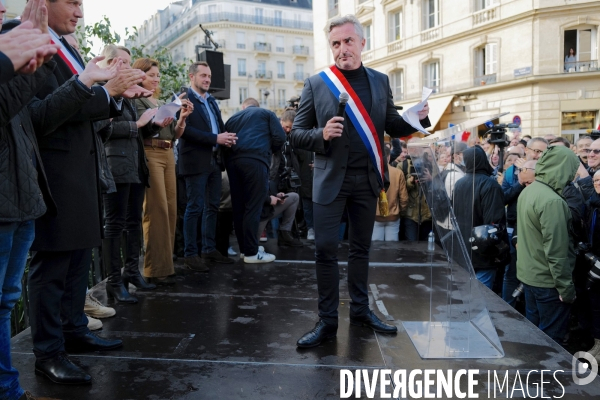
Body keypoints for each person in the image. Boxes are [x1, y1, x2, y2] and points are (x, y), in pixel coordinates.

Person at [26, 0, 152, 385]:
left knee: (78, 257)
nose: (80, 13)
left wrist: (113, 95)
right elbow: (42, 114)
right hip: (56, 171)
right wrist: (101, 88)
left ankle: (73, 328)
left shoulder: (66, 46)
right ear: (43, 4)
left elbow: (79, 105)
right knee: (53, 265)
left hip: (81, 169)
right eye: (72, 3)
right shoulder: (29, 43)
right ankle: (48, 352)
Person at [290, 14, 430, 348]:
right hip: (329, 180)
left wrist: (418, 118)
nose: (342, 49)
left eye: (348, 41)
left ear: (362, 43)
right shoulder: (318, 83)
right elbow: (296, 133)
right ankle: (326, 321)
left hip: (368, 180)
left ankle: (361, 311)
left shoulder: (380, 81)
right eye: (335, 43)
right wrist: (321, 135)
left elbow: (393, 124)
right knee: (324, 249)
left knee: (361, 250)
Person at [0, 2, 62, 398]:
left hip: (21, 199)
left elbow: (21, 116)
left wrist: (36, 62)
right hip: (6, 202)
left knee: (6, 302)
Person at [96, 46, 161, 302]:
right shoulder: (102, 90)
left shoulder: (128, 95)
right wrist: (139, 124)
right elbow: (103, 129)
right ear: (109, 63)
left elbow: (139, 132)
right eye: (121, 61)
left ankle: (132, 272)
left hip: (134, 165)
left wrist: (154, 125)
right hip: (114, 166)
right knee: (114, 224)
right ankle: (114, 281)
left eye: (128, 62)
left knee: (133, 221)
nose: (126, 66)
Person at [134, 57, 195, 281]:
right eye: (151, 75)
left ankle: (165, 267)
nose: (156, 79)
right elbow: (142, 130)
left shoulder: (159, 103)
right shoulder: (137, 100)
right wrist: (157, 122)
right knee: (156, 209)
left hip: (169, 153)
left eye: (157, 75)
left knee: (170, 209)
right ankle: (153, 270)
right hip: (150, 153)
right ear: (140, 76)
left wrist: (182, 118)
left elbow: (174, 135)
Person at [516, 145, 580, 343]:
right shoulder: (552, 201)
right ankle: (545, 374)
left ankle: (533, 372)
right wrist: (566, 289)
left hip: (530, 277)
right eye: (572, 169)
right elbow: (556, 251)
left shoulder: (530, 190)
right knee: (551, 343)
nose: (573, 175)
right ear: (562, 168)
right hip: (548, 282)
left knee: (534, 337)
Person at [178, 61, 237, 270]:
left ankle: (209, 250)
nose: (207, 80)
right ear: (191, 76)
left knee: (212, 206)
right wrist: (215, 139)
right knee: (194, 207)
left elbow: (218, 127)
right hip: (195, 160)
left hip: (214, 160)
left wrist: (226, 138)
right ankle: (190, 254)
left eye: (209, 76)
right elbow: (185, 131)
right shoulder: (183, 98)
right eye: (203, 75)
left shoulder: (211, 101)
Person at [223, 97, 286, 263]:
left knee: (239, 207)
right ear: (257, 106)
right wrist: (267, 150)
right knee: (253, 206)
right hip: (255, 160)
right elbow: (280, 137)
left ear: (244, 107)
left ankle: (245, 250)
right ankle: (251, 253)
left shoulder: (233, 118)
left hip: (233, 163)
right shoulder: (266, 114)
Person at [453, 146, 507, 289]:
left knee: (468, 296)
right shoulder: (490, 185)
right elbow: (494, 224)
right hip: (483, 254)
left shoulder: (460, 183)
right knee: (481, 298)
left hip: (464, 250)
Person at [372, 148, 408, 241]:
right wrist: (401, 211)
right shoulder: (398, 173)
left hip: (375, 215)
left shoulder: (372, 172)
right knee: (392, 248)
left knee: (376, 248)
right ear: (388, 157)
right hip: (393, 215)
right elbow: (404, 198)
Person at [585, 170, 600, 362]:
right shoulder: (592, 203)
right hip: (592, 262)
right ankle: (597, 345)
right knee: (595, 306)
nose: (597, 183)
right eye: (595, 179)